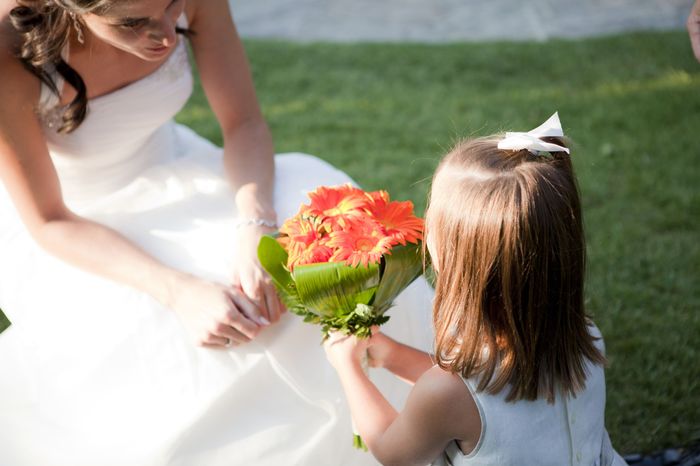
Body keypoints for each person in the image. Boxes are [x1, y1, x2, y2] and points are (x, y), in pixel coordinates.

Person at [0, 0, 433, 464]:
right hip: (81, 221)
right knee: (208, 337)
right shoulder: (8, 46)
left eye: (172, 8)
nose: (166, 34)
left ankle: (423, 428)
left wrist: (255, 223)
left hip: (191, 169)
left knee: (331, 268)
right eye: (134, 23)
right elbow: (49, 219)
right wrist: (179, 291)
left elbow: (244, 123)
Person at [324, 113, 628, 465]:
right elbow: (476, 394)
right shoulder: (584, 340)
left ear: (462, 263)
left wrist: (348, 369)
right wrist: (390, 354)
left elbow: (394, 453)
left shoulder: (447, 395)